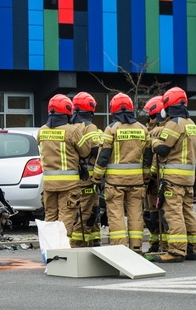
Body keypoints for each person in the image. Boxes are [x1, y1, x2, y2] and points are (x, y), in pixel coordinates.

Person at [91, 93, 152, 253]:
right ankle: (136, 247)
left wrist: (96, 177)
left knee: (116, 215)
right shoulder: (143, 129)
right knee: (135, 214)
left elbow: (103, 156)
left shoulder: (111, 129)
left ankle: (120, 249)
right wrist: (145, 177)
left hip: (115, 183)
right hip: (137, 182)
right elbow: (147, 158)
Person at [148, 87, 196, 262]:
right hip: (188, 178)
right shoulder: (191, 124)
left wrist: (153, 141)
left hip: (173, 177)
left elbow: (163, 149)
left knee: (173, 213)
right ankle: (193, 248)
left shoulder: (174, 123)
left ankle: (176, 251)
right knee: (188, 212)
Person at [37, 94, 91, 240]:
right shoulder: (72, 131)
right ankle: (61, 253)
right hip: (68, 185)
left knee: (50, 218)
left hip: (48, 185)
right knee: (65, 219)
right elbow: (85, 152)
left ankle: (50, 251)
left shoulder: (42, 131)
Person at [70, 92, 102, 247]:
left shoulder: (69, 126)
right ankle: (78, 243)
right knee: (87, 213)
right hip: (88, 178)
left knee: (88, 210)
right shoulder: (90, 127)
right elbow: (96, 150)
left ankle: (94, 240)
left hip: (73, 178)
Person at [142, 96, 168, 253]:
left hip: (155, 179)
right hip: (149, 180)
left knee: (159, 213)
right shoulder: (149, 130)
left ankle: (163, 245)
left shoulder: (160, 131)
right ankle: (155, 244)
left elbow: (154, 157)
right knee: (150, 214)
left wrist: (149, 176)